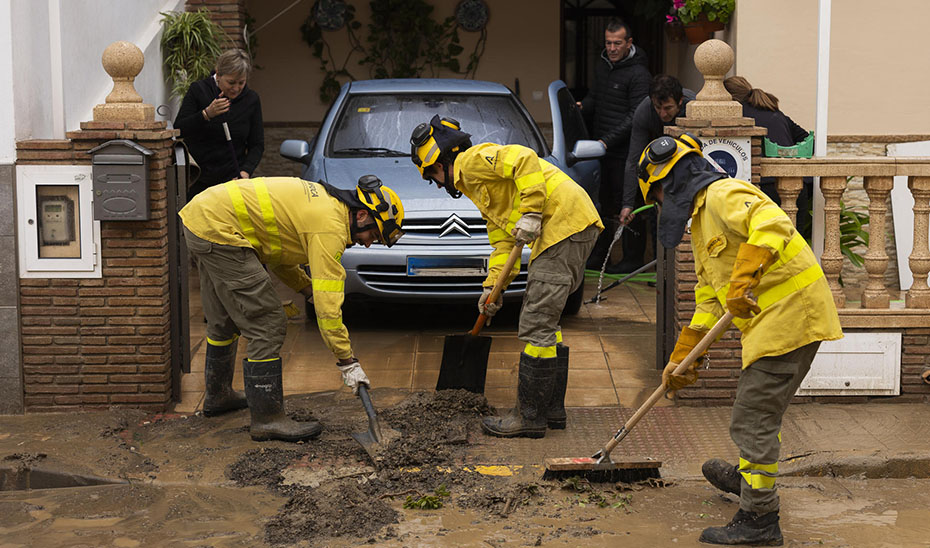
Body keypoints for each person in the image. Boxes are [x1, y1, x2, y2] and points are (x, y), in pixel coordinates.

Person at [636, 134, 842, 545]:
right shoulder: (701, 223)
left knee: (754, 417)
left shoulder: (722, 193)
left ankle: (759, 519)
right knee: (754, 412)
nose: (661, 206)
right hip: (772, 322)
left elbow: (772, 222)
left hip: (792, 317)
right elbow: (710, 298)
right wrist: (685, 356)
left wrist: (747, 274)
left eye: (657, 197)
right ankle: (750, 480)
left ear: (665, 186)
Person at [410, 115, 603, 439]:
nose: (439, 184)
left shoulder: (470, 161)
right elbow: (502, 243)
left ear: (441, 162)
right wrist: (492, 289)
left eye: (433, 175)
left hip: (563, 225)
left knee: (536, 322)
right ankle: (550, 409)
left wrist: (530, 211)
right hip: (567, 226)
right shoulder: (477, 188)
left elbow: (523, 158)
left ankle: (528, 417)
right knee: (546, 322)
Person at [179, 175, 404, 442]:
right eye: (373, 234)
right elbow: (328, 311)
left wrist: (306, 288)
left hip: (202, 218)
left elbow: (278, 254)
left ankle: (218, 395)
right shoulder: (330, 227)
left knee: (224, 318)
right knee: (268, 323)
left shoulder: (326, 208)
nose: (367, 243)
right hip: (220, 231)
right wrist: (347, 361)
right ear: (362, 214)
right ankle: (267, 420)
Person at [578, 17, 651, 271]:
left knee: (628, 202)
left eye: (617, 43)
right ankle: (600, 256)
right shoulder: (603, 66)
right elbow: (595, 98)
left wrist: (606, 141)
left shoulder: (639, 74)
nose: (612, 48)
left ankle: (632, 259)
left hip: (626, 151)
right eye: (608, 43)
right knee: (605, 203)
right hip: (602, 150)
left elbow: (635, 117)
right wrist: (578, 108)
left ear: (629, 42)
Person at [615, 74, 695, 273]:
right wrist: (627, 204)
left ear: (680, 101)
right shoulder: (644, 110)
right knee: (656, 213)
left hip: (690, 161)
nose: (662, 114)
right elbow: (634, 160)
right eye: (658, 108)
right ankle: (663, 269)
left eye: (668, 108)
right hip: (660, 160)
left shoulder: (693, 106)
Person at [724, 76, 813, 235]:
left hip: (765, 188)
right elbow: (807, 140)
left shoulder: (738, 115)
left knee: (765, 245)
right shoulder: (773, 111)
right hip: (798, 186)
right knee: (794, 245)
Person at [174, 49, 264, 200]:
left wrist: (245, 172)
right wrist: (206, 114)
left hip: (232, 181)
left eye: (241, 83)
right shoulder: (199, 90)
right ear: (218, 74)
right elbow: (179, 130)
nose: (236, 88)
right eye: (231, 82)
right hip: (199, 180)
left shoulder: (251, 100)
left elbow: (257, 144)